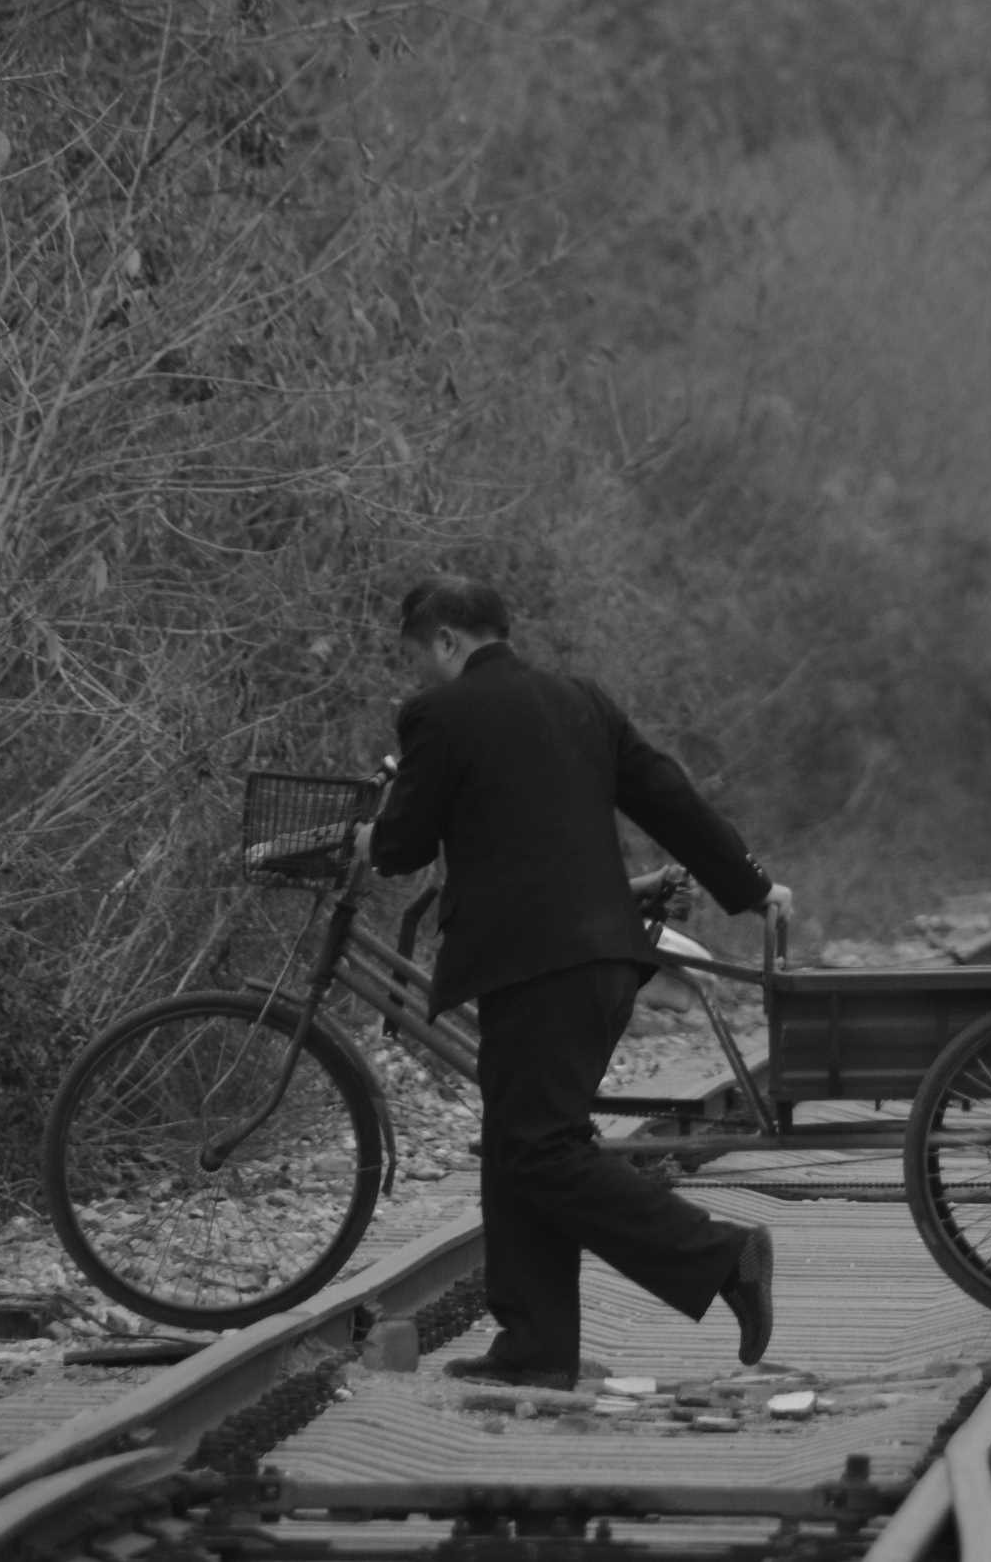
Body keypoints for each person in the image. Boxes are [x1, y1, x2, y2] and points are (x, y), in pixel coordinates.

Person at [364, 574, 777, 1390]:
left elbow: (403, 845)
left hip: (534, 962)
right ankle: (536, 1346)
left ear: (446, 639)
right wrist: (751, 885)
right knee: (520, 1141)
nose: (420, 674)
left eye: (419, 656)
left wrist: (370, 836)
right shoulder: (580, 699)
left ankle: (723, 1256)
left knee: (538, 1147)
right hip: (607, 958)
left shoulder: (440, 714)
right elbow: (667, 795)